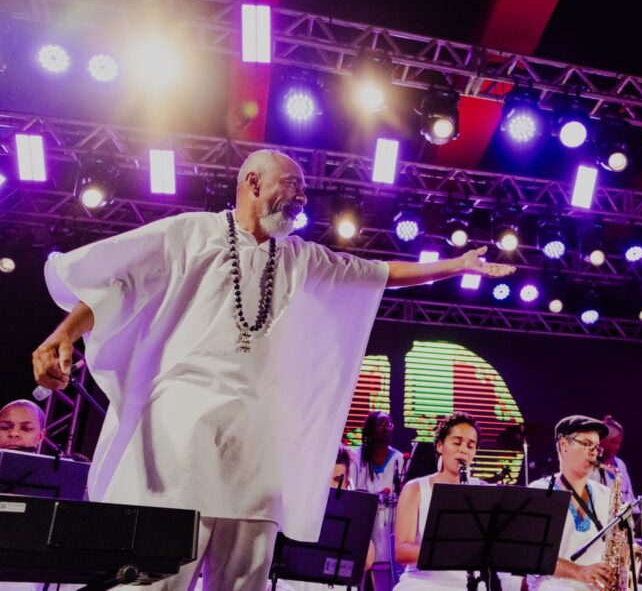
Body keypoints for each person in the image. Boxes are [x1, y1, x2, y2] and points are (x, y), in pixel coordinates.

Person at [30, 149, 514, 591]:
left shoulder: (301, 258)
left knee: (244, 580)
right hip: (184, 428)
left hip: (259, 442)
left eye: (304, 190)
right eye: (292, 184)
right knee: (158, 574)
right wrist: (64, 333)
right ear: (253, 181)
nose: (301, 197)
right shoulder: (190, 232)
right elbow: (118, 285)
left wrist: (456, 265)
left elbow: (380, 274)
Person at [392, 411, 519, 590]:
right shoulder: (415, 488)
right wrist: (453, 552)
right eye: (457, 442)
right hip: (422, 583)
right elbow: (402, 551)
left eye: (470, 445)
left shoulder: (485, 491)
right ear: (439, 446)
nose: (463, 450)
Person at [528, 415, 618, 591]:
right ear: (564, 445)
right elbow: (533, 554)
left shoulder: (607, 495)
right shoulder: (539, 491)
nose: (593, 452)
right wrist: (579, 572)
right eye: (586, 444)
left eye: (596, 447)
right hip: (554, 585)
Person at [351, 411, 406, 591]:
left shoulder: (399, 459)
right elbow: (351, 488)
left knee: (383, 580)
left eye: (389, 424)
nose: (386, 428)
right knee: (355, 573)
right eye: (381, 424)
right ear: (370, 428)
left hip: (385, 525)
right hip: (361, 522)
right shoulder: (356, 456)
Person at [589, 415, 635, 503]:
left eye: (619, 443)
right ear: (601, 440)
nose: (617, 447)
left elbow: (629, 496)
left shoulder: (620, 464)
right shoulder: (589, 463)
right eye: (613, 442)